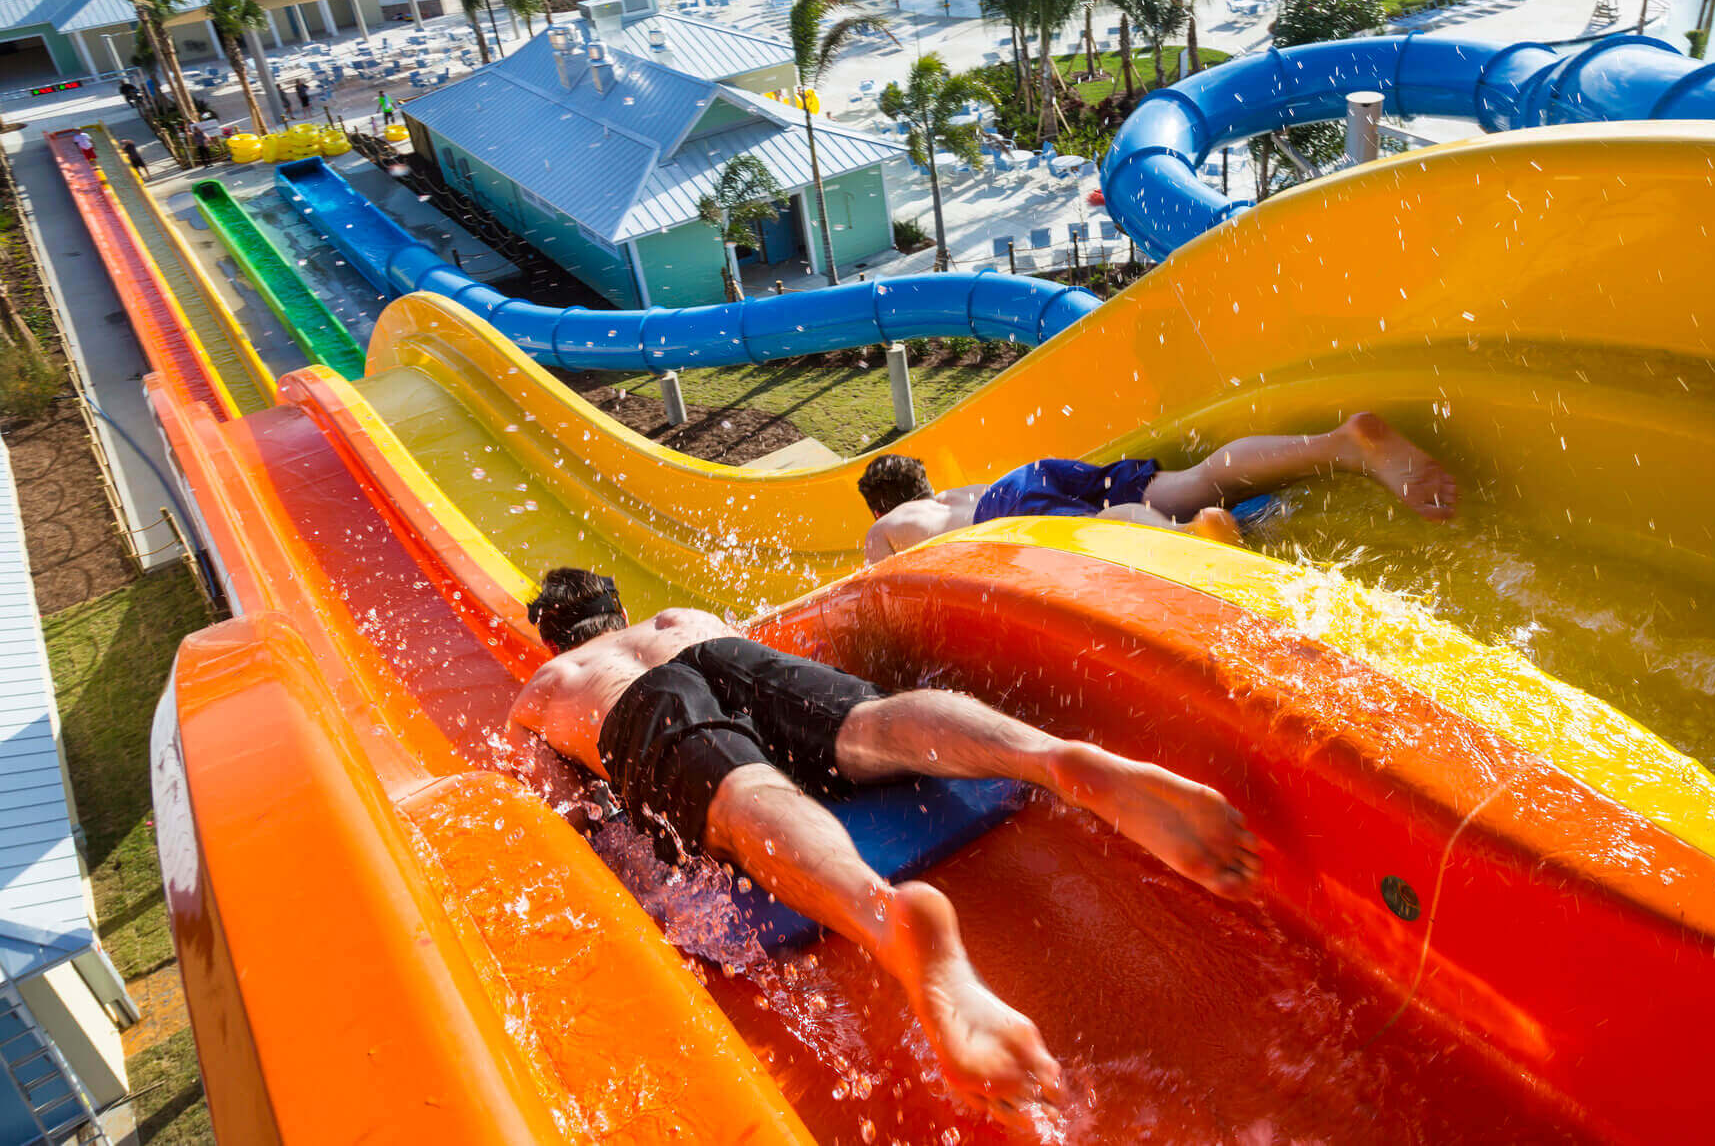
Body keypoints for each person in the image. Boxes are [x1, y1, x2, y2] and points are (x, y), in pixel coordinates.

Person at [509, 569, 1259, 1124]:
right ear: (619, 609)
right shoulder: (680, 616)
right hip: (727, 652)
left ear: (551, 635)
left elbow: (558, 810)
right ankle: (1054, 757)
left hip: (636, 707)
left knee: (743, 798)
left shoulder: (548, 684)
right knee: (867, 724)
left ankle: (884, 919)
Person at [859, 413, 1458, 563]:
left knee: (1096, 530)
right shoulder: (950, 495)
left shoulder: (886, 531)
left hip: (1007, 511)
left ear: (878, 505)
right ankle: (1341, 445)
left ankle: (1189, 535)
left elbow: (881, 601)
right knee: (1194, 481)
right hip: (1034, 475)